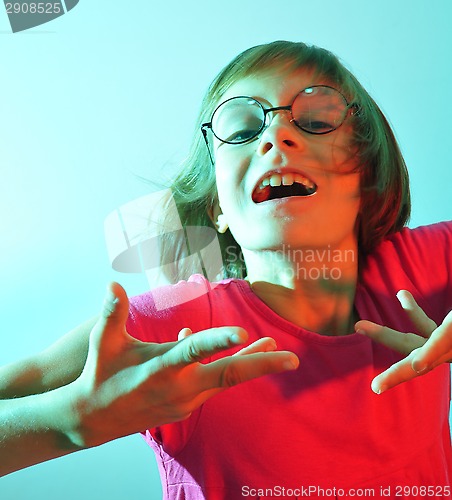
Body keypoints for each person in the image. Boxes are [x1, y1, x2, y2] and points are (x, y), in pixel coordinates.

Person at [0, 40, 451, 497]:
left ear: (366, 181)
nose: (276, 136)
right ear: (218, 207)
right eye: (241, 130)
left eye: (316, 120)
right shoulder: (173, 330)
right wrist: (67, 423)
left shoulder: (419, 270)